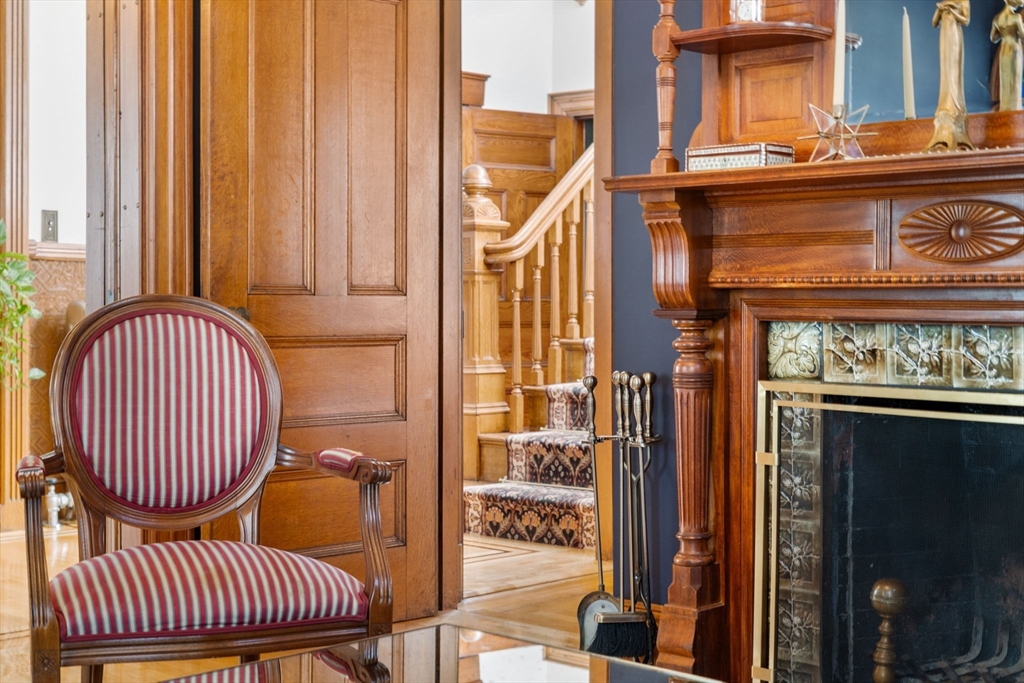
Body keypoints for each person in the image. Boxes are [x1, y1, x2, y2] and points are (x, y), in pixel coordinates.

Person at [926, 0, 976, 150]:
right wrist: (939, 9)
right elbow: (934, 23)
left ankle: (956, 110)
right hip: (944, 36)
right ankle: (944, 110)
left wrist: (953, 11)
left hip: (955, 35)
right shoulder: (944, 2)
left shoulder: (963, 1)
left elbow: (966, 20)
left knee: (954, 73)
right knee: (945, 73)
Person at [991, 0, 1024, 111]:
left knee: (1005, 82)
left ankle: (1005, 109)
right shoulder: (1016, 18)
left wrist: (1005, 33)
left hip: (1004, 50)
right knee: (1014, 82)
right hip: (1014, 49)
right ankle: (1014, 109)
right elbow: (1023, 36)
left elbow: (993, 38)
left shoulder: (997, 18)